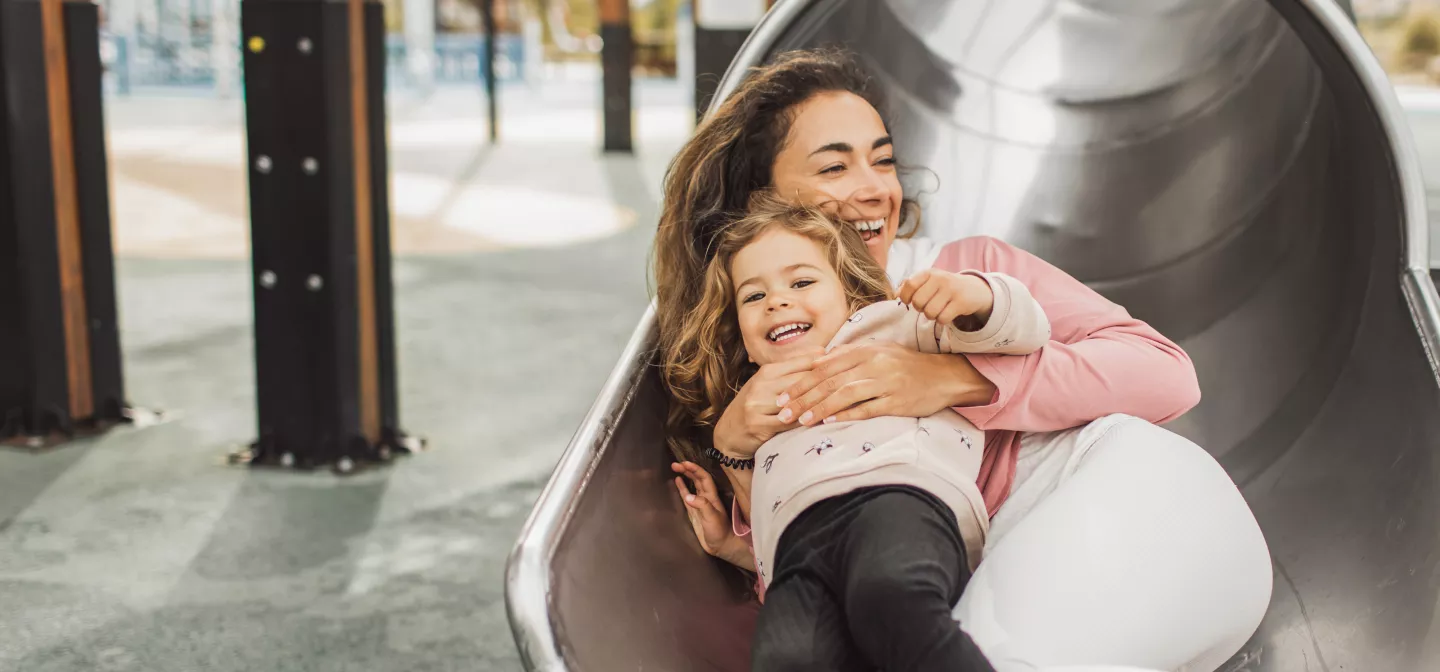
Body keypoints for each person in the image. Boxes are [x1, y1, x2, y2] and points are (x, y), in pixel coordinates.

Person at [653, 46, 1272, 671]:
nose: (874, 190)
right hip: (973, 569)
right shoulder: (763, 334)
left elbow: (1164, 373)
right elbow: (812, 543)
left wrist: (951, 379)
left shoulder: (953, 279)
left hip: (1119, 502)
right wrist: (732, 448)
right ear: (766, 201)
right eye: (834, 169)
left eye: (884, 162)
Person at [668, 193, 1052, 670]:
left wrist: (979, 299)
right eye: (754, 296)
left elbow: (1022, 333)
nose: (777, 301)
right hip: (799, 544)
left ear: (850, 294)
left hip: (898, 501)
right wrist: (736, 546)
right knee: (786, 654)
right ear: (743, 340)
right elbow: (774, 517)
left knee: (889, 595)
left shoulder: (889, 328)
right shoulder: (752, 406)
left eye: (802, 281)